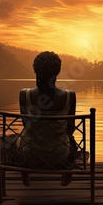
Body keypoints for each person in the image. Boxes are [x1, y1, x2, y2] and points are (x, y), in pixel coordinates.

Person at [15, 51, 77, 186]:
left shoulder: (24, 94)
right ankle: (67, 174)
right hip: (59, 154)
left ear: (35, 71)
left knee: (12, 139)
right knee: (71, 141)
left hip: (30, 154)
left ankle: (25, 175)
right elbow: (70, 129)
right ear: (58, 73)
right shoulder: (69, 96)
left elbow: (26, 125)